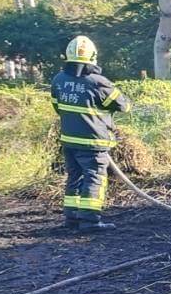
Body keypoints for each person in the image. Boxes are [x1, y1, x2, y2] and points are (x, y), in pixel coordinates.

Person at [51, 36, 130, 232]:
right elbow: (124, 105)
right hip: (93, 142)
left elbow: (57, 107)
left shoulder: (59, 80)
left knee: (74, 177)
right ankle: (90, 221)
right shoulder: (99, 82)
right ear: (93, 56)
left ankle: (72, 218)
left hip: (69, 141)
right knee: (94, 178)